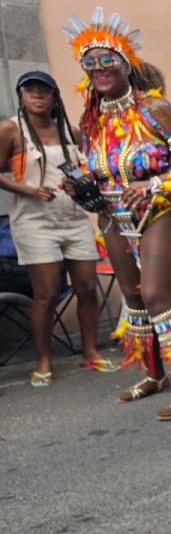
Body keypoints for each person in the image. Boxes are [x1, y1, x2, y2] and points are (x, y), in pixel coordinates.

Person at [63, 7, 171, 418]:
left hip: (164, 212)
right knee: (132, 297)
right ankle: (155, 374)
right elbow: (96, 168)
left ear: (127, 65)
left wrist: (155, 184)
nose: (98, 68)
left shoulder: (153, 107)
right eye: (89, 63)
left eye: (107, 60)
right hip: (114, 216)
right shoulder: (91, 120)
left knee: (157, 293)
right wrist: (80, 187)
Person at [0, 71, 115, 386]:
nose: (37, 96)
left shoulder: (70, 131)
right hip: (34, 222)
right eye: (30, 91)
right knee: (47, 293)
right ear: (22, 96)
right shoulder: (11, 129)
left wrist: (78, 186)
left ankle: (90, 353)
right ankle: (44, 360)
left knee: (88, 288)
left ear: (54, 98)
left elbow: (86, 172)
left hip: (73, 218)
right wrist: (28, 190)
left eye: (44, 91)